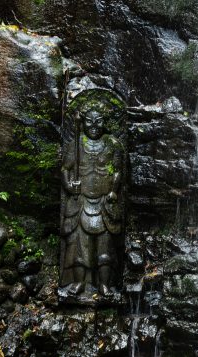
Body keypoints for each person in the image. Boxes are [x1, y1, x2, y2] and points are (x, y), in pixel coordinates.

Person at [59, 104, 123, 297]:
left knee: (106, 246)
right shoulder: (76, 144)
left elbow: (118, 170)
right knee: (79, 245)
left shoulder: (112, 144)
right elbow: (65, 168)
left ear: (105, 122)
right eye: (89, 121)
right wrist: (70, 186)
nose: (94, 125)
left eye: (98, 121)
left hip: (104, 201)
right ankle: (79, 282)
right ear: (83, 122)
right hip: (82, 201)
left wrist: (114, 191)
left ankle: (104, 284)